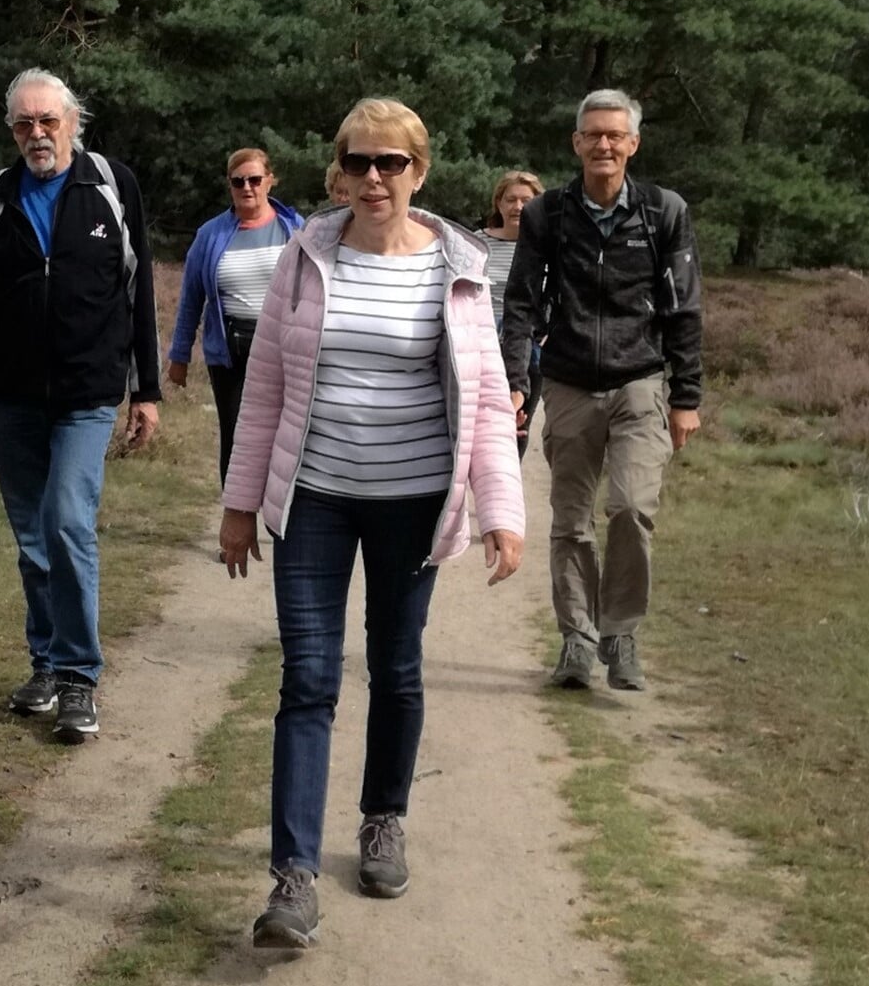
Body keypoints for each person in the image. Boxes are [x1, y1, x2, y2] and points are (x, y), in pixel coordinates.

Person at [219, 97, 525, 950]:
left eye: (391, 163)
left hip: (414, 502)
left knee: (395, 666)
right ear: (337, 172)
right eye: (358, 162)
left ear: (418, 171)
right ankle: (293, 879)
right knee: (306, 678)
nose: (374, 177)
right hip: (314, 497)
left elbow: (489, 400)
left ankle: (383, 818)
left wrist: (501, 510)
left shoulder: (456, 269)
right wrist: (240, 504)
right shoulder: (302, 258)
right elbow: (266, 390)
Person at [0, 68, 162, 744]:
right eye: (23, 124)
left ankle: (79, 678)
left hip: (87, 395)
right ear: (11, 131)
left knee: (65, 524)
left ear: (73, 122)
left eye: (47, 122)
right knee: (32, 540)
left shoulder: (111, 186)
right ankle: (45, 665)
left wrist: (143, 390)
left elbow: (137, 289)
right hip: (15, 398)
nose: (36, 135)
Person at [500, 88, 703, 693]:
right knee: (570, 520)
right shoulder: (548, 215)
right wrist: (516, 383)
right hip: (566, 383)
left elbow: (684, 308)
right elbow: (520, 305)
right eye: (594, 134)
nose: (604, 144)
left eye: (616, 135)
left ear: (633, 144)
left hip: (640, 380)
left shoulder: (664, 212)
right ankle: (577, 640)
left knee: (633, 507)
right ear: (577, 143)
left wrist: (686, 396)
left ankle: (621, 632)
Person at [167, 148, 305, 482]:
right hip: (229, 351)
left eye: (255, 179)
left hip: (283, 347)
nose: (247, 188)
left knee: (287, 434)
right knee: (237, 435)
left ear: (269, 181)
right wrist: (179, 356)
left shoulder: (297, 230)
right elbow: (190, 301)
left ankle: (284, 517)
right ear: (229, 185)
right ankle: (237, 519)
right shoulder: (210, 235)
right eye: (238, 181)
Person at [479, 171, 545, 457]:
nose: (518, 207)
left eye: (526, 200)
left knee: (517, 424)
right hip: (482, 343)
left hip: (528, 348)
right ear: (499, 203)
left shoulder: (549, 247)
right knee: (479, 423)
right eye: (511, 199)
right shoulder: (477, 244)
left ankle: (509, 489)